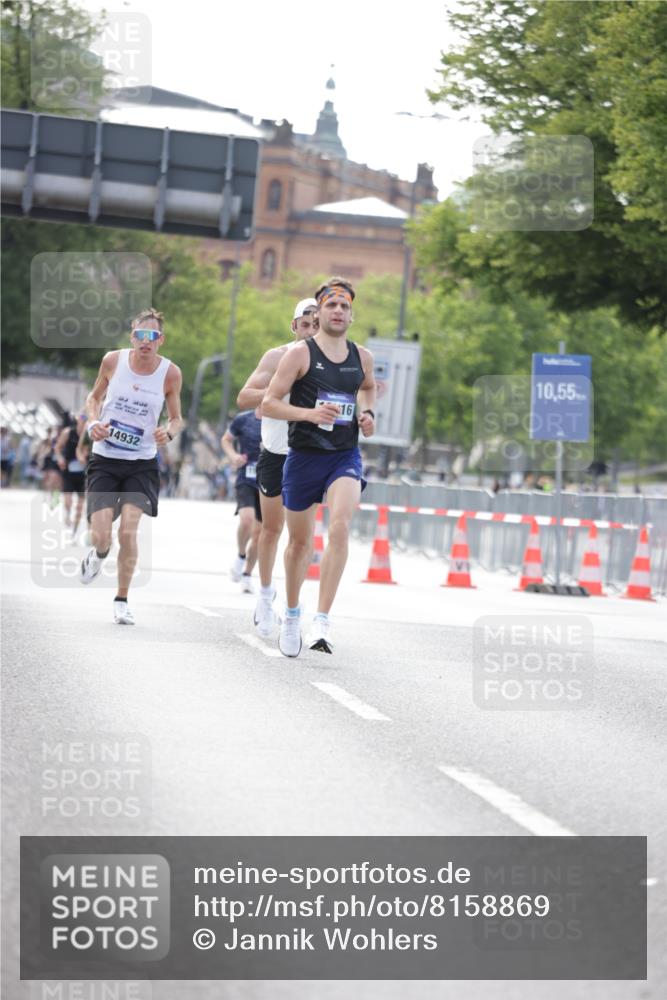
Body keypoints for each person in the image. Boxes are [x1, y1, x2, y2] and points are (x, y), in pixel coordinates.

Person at [262, 277, 376, 657]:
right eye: (332, 305)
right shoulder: (299, 355)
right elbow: (269, 404)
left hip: (344, 455)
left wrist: (368, 414)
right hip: (303, 456)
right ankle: (293, 613)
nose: (338, 312)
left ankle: (322, 618)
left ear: (351, 314)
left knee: (340, 525)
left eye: (344, 306)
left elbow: (368, 387)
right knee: (298, 544)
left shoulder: (362, 357)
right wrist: (309, 414)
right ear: (320, 310)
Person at [79, 308, 183, 624]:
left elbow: (176, 417)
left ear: (161, 340)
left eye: (153, 336)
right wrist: (93, 422)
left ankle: (122, 599)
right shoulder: (113, 361)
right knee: (101, 536)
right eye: (141, 334)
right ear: (132, 336)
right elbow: (93, 398)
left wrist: (169, 431)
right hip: (106, 459)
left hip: (141, 463)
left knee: (128, 531)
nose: (146, 341)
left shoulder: (170, 373)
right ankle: (98, 554)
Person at [236, 297, 318, 637]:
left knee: (302, 539)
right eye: (305, 323)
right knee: (270, 529)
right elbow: (244, 397)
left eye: (317, 324)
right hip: (274, 451)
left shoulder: (333, 361)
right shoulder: (276, 356)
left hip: (311, 455)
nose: (311, 329)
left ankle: (293, 610)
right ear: (294, 325)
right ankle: (265, 596)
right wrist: (278, 387)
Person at [221, 409, 263, 594]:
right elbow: (226, 439)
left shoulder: (282, 420)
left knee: (260, 534)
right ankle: (240, 555)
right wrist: (233, 456)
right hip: (246, 477)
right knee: (247, 520)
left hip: (268, 481)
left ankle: (247, 574)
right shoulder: (244, 419)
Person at [54, 412, 87, 541]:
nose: (83, 421)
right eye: (82, 418)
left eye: (86, 418)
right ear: (77, 420)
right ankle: (67, 514)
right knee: (68, 501)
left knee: (80, 504)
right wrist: (60, 458)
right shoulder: (68, 432)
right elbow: (57, 448)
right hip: (68, 471)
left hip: (83, 474)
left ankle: (74, 529)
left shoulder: (89, 435)